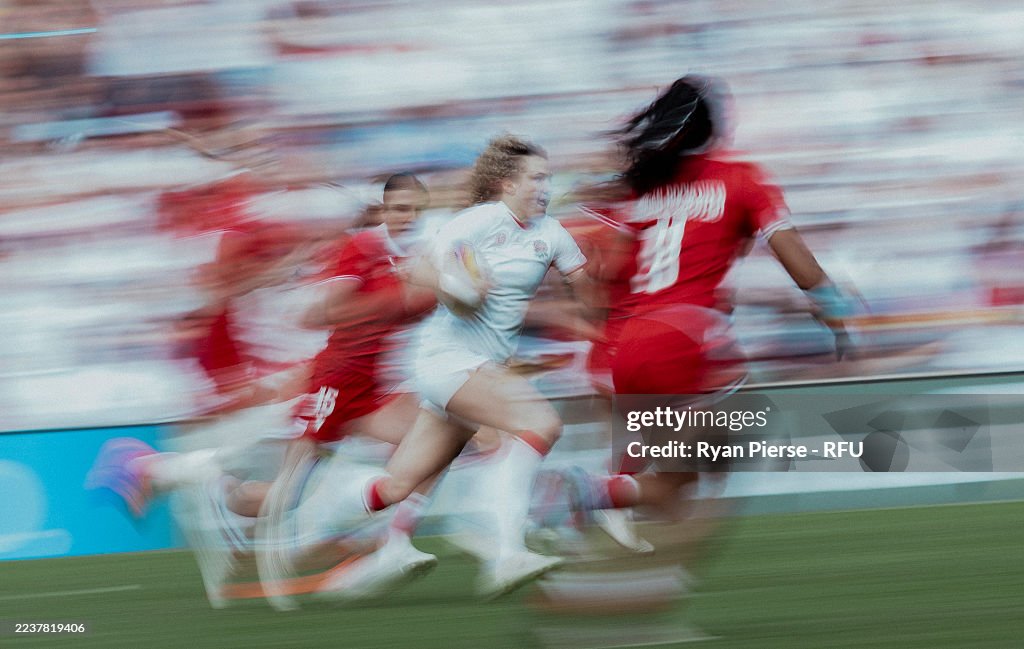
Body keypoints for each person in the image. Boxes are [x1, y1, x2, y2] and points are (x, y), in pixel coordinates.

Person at [282, 135, 590, 601]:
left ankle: (355, 518)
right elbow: (417, 279)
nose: (546, 186)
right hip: (439, 362)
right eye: (537, 177)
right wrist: (457, 288)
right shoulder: (466, 228)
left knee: (406, 478)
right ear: (505, 183)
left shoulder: (533, 234)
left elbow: (557, 297)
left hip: (463, 363)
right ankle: (502, 546)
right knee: (523, 429)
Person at [566, 74, 855, 526]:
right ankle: (597, 490)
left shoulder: (645, 187)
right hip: (687, 340)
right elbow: (794, 256)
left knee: (677, 483)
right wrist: (834, 308)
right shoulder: (741, 178)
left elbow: (610, 276)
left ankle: (600, 494)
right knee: (738, 436)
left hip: (633, 346)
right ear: (714, 125)